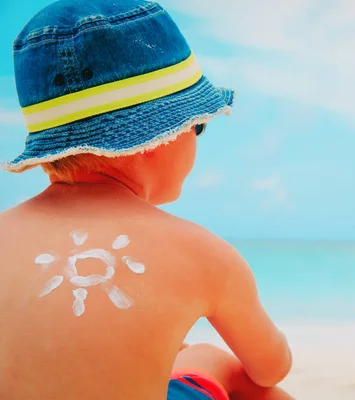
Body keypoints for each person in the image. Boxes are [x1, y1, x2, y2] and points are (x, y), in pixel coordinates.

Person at [0, 0, 293, 399]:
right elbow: (271, 366)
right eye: (198, 125)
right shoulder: (203, 254)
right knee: (233, 372)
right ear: (157, 137)